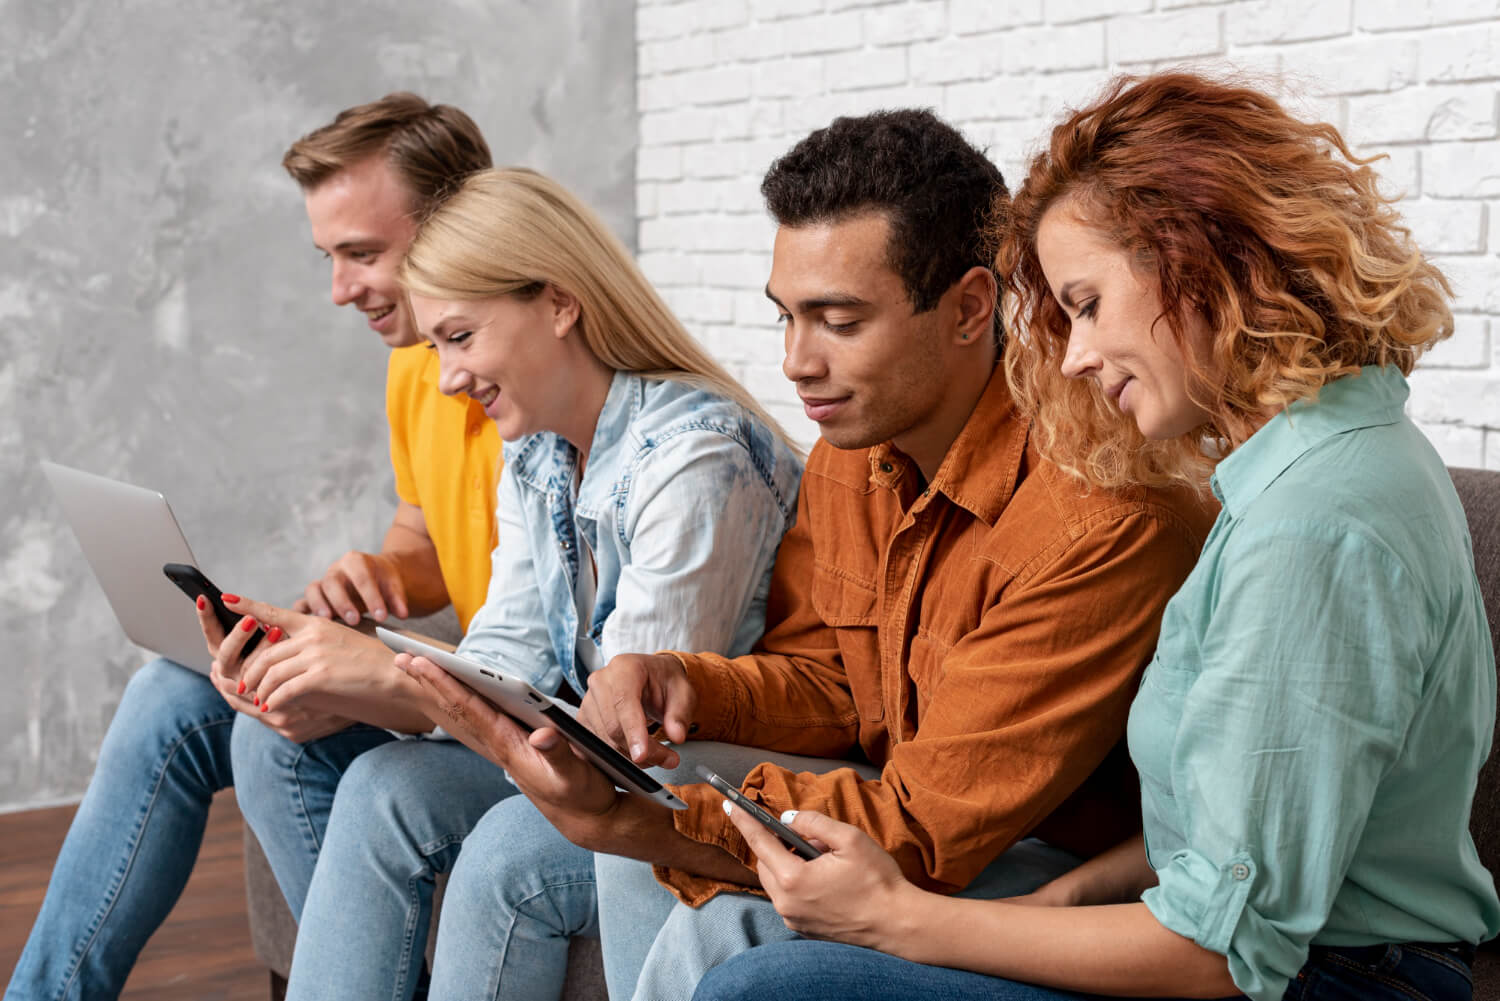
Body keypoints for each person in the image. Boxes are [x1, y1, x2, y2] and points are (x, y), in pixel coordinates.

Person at [692, 72, 1500, 1001]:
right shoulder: (1304, 465)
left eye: (1085, 303)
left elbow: (1223, 950)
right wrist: (1057, 901)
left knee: (774, 986)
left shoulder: (1313, 524)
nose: (1072, 356)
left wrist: (906, 920)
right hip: (1293, 952)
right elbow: (1232, 827)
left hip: (1343, 980)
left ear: (1196, 259)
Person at [400, 108, 1217, 1001]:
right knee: (645, 785)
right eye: (788, 316)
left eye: (838, 320)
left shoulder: (1097, 515)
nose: (795, 362)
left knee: (701, 883)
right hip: (919, 797)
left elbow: (926, 830)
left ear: (970, 308)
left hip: (1053, 863)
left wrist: (654, 821)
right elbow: (833, 678)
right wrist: (684, 678)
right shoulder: (852, 453)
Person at [240, 165, 805, 1001]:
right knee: (379, 783)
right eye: (436, 345)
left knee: (506, 848)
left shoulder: (698, 456)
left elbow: (630, 736)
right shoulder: (537, 451)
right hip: (576, 757)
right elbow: (506, 658)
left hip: (669, 783)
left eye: (461, 338)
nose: (446, 378)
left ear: (558, 303)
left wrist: (382, 672)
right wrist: (340, 680)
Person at [5, 94, 499, 1001]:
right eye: (329, 257)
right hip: (449, 678)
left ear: (457, 226)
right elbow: (425, 534)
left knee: (272, 736)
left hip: (502, 715)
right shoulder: (411, 367)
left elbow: (545, 665)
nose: (341, 290)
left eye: (362, 253)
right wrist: (381, 573)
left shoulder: (526, 386)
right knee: (171, 687)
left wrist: (361, 672)